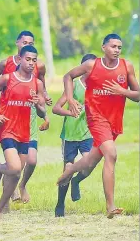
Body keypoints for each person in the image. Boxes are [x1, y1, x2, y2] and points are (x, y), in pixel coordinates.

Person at [57, 34, 139, 219]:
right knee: (111, 154)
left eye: (119, 47)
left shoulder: (127, 67)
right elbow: (68, 76)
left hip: (114, 121)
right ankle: (110, 206)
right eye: (113, 46)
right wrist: (70, 99)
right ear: (103, 47)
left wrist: (123, 91)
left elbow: (138, 95)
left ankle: (70, 169)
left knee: (91, 160)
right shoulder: (91, 65)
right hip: (96, 118)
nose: (116, 50)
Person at [0, 45, 47, 219]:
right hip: (8, 130)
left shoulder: (37, 83)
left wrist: (37, 105)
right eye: (28, 59)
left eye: (34, 60)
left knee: (16, 175)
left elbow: (42, 113)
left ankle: (0, 209)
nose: (31, 63)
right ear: (19, 59)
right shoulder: (7, 78)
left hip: (25, 134)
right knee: (14, 167)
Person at [52, 54, 97, 217]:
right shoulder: (73, 85)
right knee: (68, 170)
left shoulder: (97, 87)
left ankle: (77, 182)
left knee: (90, 162)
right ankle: (60, 204)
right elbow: (56, 108)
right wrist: (71, 112)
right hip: (70, 135)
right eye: (86, 67)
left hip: (88, 134)